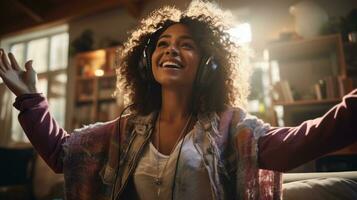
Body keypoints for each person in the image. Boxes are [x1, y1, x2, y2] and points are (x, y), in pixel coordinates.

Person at [0, 1, 356, 200]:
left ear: (209, 64)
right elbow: (65, 155)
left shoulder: (234, 128)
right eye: (163, 44)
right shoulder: (125, 130)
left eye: (186, 45)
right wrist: (31, 99)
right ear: (146, 61)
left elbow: (306, 142)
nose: (171, 49)